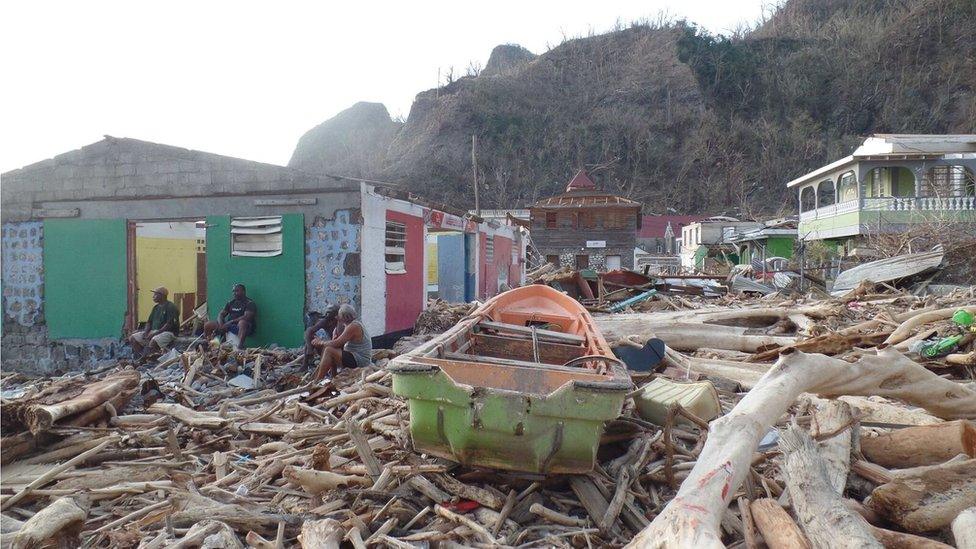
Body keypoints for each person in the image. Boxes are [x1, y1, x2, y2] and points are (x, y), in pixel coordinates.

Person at [311, 304, 372, 381]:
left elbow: (337, 343)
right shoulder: (348, 325)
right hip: (354, 356)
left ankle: (318, 381)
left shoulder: (354, 326)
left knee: (329, 350)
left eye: (339, 316)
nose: (336, 317)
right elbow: (335, 343)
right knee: (330, 349)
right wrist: (332, 338)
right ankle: (333, 376)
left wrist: (320, 342)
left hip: (360, 360)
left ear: (344, 317)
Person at [130, 286, 179, 357]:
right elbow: (149, 322)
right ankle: (143, 356)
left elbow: (169, 325)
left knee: (153, 341)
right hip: (154, 331)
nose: (153, 296)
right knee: (133, 338)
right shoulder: (156, 308)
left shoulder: (171, 307)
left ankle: (153, 358)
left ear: (162, 296)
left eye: (155, 294)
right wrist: (146, 332)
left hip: (168, 332)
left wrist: (154, 334)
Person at [204, 283, 257, 349]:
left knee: (242, 322)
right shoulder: (231, 302)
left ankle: (239, 347)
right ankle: (213, 346)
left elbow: (246, 317)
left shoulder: (249, 303)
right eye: (233, 291)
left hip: (243, 327)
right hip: (229, 326)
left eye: (237, 291)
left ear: (243, 291)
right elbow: (221, 314)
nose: (234, 293)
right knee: (208, 325)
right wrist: (221, 325)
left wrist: (231, 322)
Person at [303, 304, 339, 369]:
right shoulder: (326, 321)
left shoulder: (340, 322)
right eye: (327, 312)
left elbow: (340, 341)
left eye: (330, 312)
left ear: (336, 313)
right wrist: (310, 349)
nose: (327, 314)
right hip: (330, 344)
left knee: (327, 348)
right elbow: (309, 331)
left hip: (340, 348)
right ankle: (305, 365)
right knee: (311, 339)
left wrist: (322, 342)